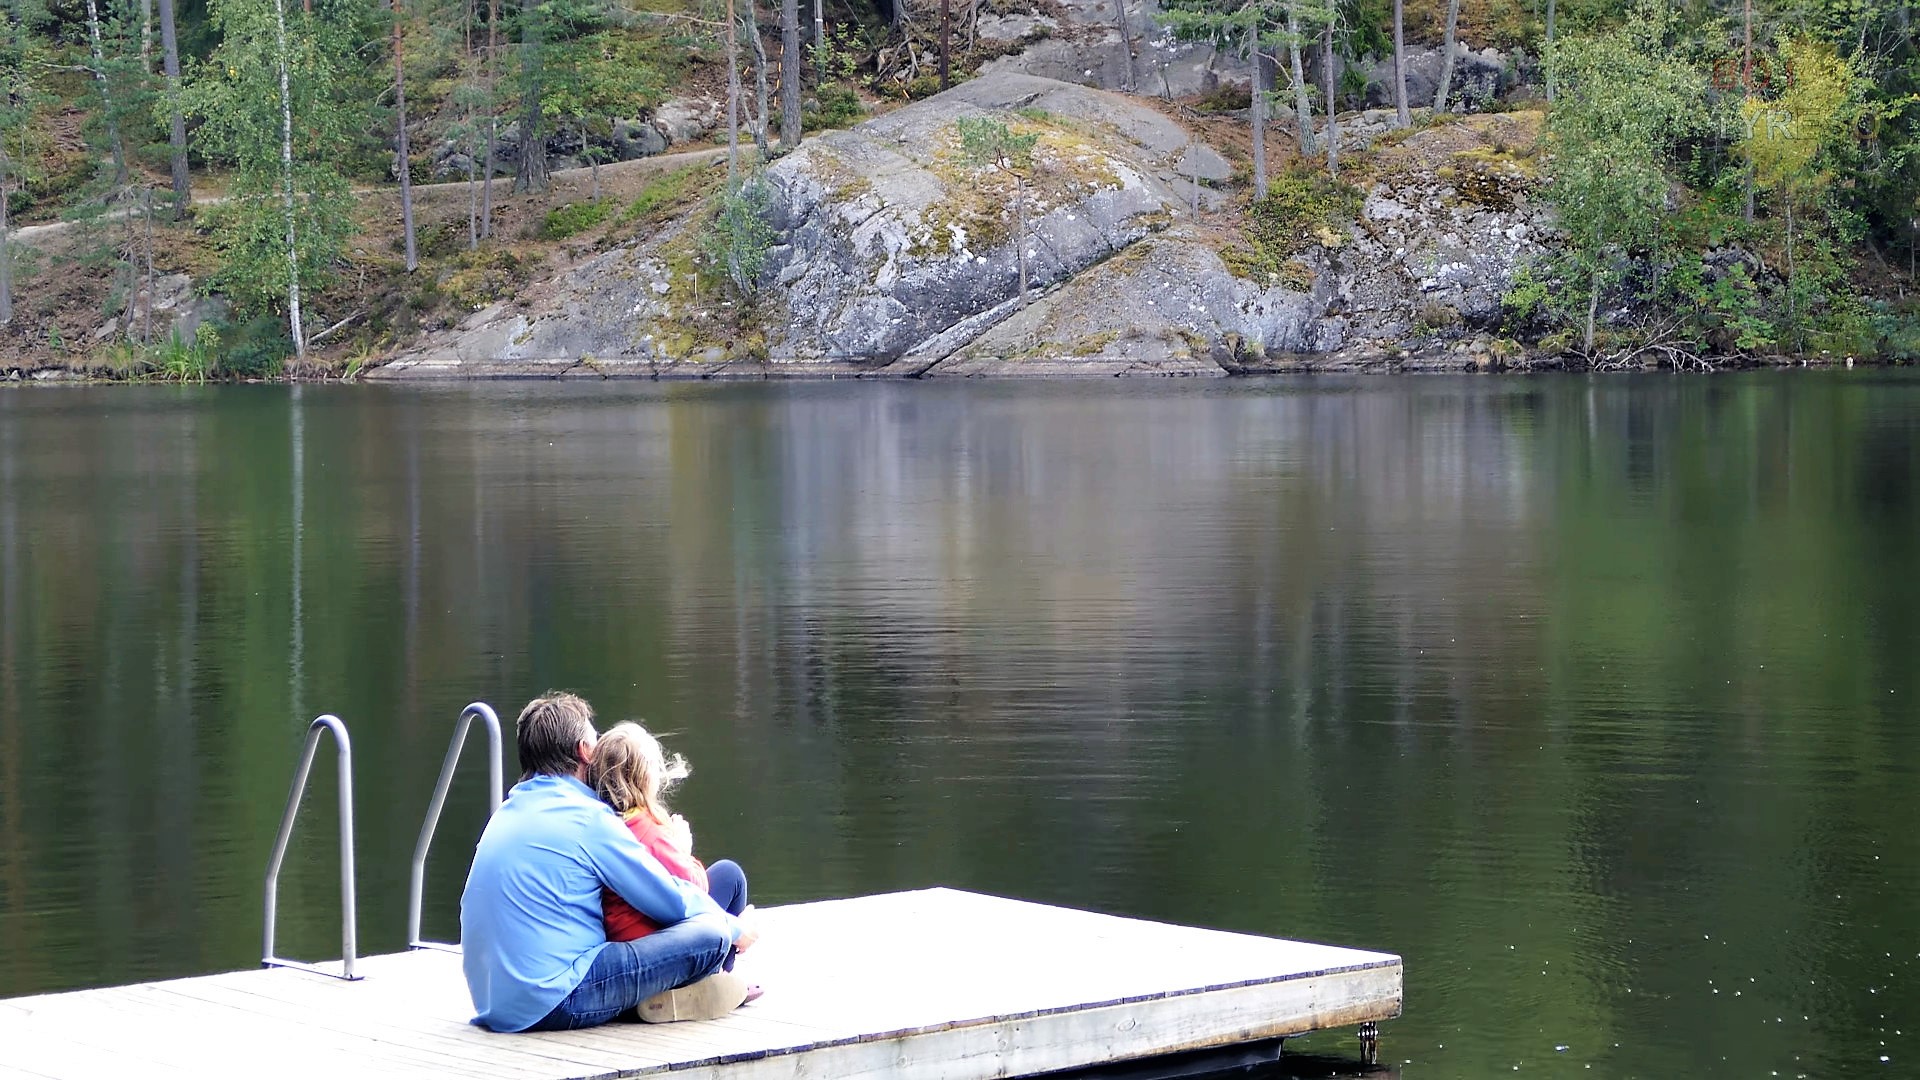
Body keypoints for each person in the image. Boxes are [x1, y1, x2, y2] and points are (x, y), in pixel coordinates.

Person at [460, 692, 757, 1032]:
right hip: (557, 998)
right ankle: (688, 987)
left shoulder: (503, 814)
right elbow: (668, 899)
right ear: (585, 751)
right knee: (712, 934)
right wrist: (734, 928)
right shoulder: (587, 818)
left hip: (492, 1003)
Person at [588, 723, 751, 972]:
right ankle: (721, 975)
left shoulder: (603, 824)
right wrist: (682, 849)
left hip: (621, 938)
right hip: (653, 944)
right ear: (645, 778)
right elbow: (694, 886)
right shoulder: (647, 833)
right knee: (730, 875)